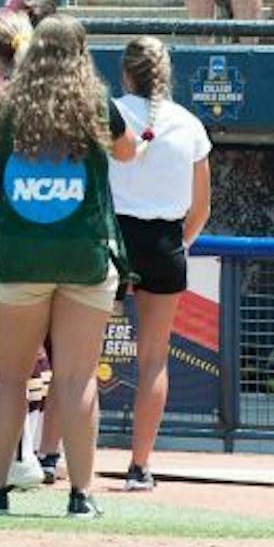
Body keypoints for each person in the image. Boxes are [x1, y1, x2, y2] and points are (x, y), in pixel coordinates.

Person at [0, 14, 136, 519]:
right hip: (85, 255)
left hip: (21, 256)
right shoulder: (96, 103)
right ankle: (81, 495)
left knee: (7, 378)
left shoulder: (4, 105)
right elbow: (129, 151)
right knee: (78, 379)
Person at [108, 36, 209, 492]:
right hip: (164, 241)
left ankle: (51, 456)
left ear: (126, 73)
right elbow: (201, 209)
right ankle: (139, 467)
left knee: (76, 358)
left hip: (110, 239)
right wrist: (178, 245)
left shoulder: (106, 111)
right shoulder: (189, 123)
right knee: (153, 361)